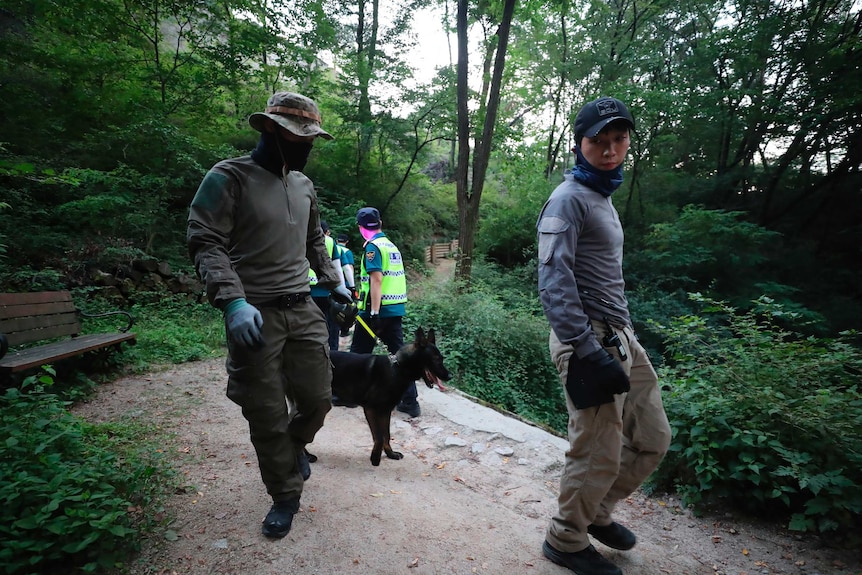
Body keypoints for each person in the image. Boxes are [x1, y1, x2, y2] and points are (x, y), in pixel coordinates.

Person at [187, 91, 352, 540]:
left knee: (319, 399)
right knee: (265, 413)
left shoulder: (302, 184)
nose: (307, 148)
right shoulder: (228, 177)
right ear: (272, 132)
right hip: (253, 313)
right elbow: (205, 241)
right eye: (300, 139)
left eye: (311, 140)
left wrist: (335, 286)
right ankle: (285, 496)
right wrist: (233, 301)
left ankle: (294, 446)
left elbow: (315, 239)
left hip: (304, 307)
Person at [536, 96, 671, 575]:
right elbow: (553, 281)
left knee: (653, 437)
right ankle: (566, 538)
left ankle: (595, 513)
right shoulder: (568, 198)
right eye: (599, 140)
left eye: (619, 139)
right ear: (580, 143)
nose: (611, 149)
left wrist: (625, 337)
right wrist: (586, 349)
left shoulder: (603, 196)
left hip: (620, 336)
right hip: (586, 339)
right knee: (596, 447)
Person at [349, 206, 418, 417]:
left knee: (358, 355)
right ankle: (410, 402)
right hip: (395, 310)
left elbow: (376, 279)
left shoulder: (373, 248)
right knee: (400, 356)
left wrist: (374, 312)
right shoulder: (391, 246)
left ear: (361, 228)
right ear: (380, 224)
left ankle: (350, 394)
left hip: (376, 311)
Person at [309, 220, 345, 351]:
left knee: (310, 326)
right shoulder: (330, 241)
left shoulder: (300, 237)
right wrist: (341, 287)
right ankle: (333, 353)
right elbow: (337, 267)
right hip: (327, 290)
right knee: (331, 325)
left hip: (307, 291)